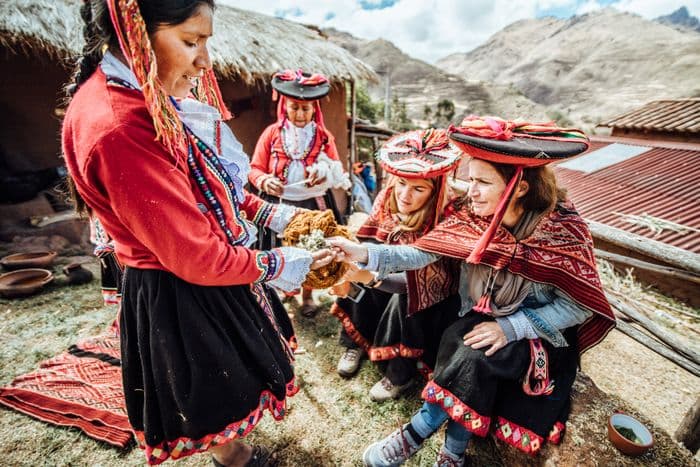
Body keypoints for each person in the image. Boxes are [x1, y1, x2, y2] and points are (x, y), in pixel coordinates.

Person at [61, 1, 335, 465]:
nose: (205, 60)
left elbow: (204, 180)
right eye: (191, 42)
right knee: (214, 379)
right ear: (135, 32)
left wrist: (274, 216)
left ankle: (233, 451)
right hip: (181, 285)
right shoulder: (121, 127)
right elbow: (198, 256)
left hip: (197, 267)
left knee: (224, 368)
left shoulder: (145, 97)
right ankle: (234, 457)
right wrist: (284, 263)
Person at [330, 117, 616, 466]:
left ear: (518, 187)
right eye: (470, 180)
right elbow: (421, 253)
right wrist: (361, 253)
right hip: (483, 316)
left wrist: (510, 327)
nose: (471, 190)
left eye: (482, 182)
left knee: (472, 357)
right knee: (464, 345)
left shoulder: (563, 230)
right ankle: (452, 454)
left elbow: (578, 308)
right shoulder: (475, 216)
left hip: (536, 331)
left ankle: (416, 436)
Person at [331, 129, 462, 402]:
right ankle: (355, 342)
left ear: (435, 190)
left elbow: (426, 274)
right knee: (355, 266)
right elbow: (369, 238)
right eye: (401, 183)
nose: (405, 195)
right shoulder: (387, 197)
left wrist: (374, 275)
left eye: (418, 188)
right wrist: (353, 264)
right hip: (387, 268)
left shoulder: (447, 215)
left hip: (429, 286)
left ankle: (399, 373)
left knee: (407, 298)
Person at [249, 69, 351, 317]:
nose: (300, 113)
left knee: (310, 246)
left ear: (314, 109)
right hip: (278, 203)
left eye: (306, 109)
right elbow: (254, 169)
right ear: (285, 106)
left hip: (312, 203)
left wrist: (324, 172)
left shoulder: (324, 137)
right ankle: (280, 292)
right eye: (294, 107)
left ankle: (307, 296)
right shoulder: (271, 134)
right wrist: (263, 181)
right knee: (278, 246)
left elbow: (337, 169)